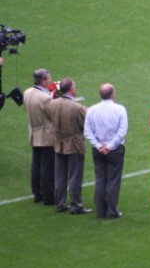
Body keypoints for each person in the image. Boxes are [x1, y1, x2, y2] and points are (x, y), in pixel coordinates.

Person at [48, 78, 92, 214]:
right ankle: (76, 205)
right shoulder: (76, 107)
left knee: (60, 177)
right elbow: (84, 124)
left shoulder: (52, 104)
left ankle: (60, 203)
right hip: (74, 145)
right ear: (71, 90)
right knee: (75, 177)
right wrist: (87, 111)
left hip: (58, 143)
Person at [84, 83, 128, 219]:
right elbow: (122, 132)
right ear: (112, 94)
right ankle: (112, 211)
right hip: (114, 150)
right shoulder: (120, 109)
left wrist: (98, 146)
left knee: (100, 179)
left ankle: (101, 211)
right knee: (113, 181)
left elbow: (87, 131)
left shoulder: (92, 110)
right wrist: (109, 146)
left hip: (98, 151)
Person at [23, 69, 55, 205]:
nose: (51, 80)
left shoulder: (27, 92)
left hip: (33, 131)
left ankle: (37, 193)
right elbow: (53, 113)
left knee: (36, 164)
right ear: (43, 81)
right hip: (46, 134)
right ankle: (49, 196)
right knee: (47, 166)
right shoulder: (45, 98)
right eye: (48, 79)